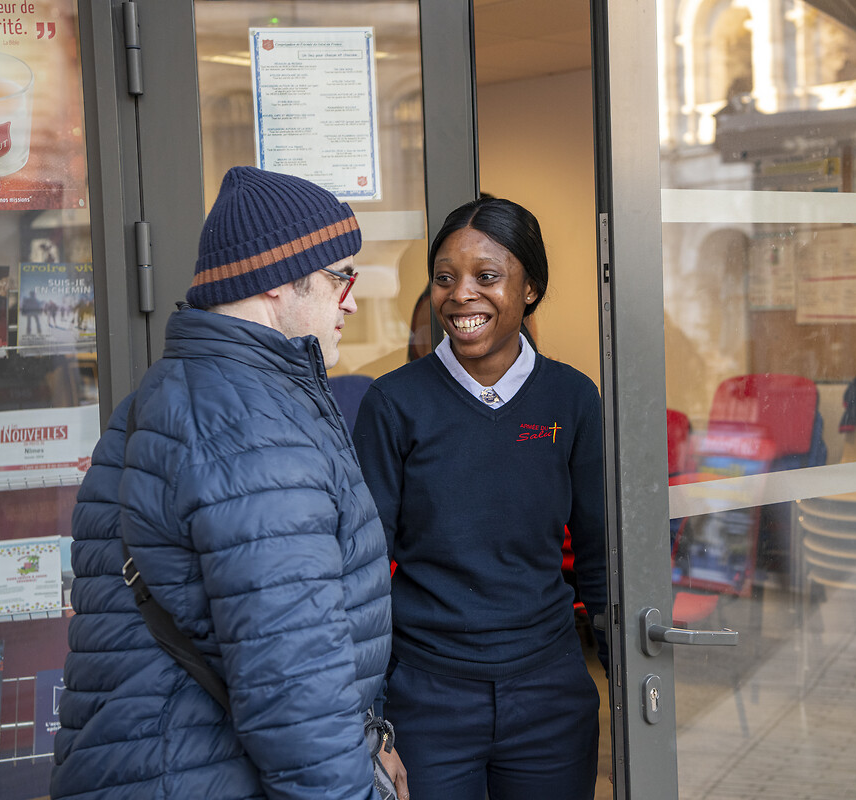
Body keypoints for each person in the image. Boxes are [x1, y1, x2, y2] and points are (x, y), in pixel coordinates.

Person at [51, 166, 404, 800]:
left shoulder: (172, 395)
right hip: (197, 773)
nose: (352, 299)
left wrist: (369, 739)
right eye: (338, 277)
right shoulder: (251, 426)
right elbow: (295, 684)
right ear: (276, 281)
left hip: (152, 761)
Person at [353, 197, 608, 800]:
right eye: (445, 278)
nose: (461, 294)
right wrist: (368, 716)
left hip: (549, 691)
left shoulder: (572, 400)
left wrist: (623, 670)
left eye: (486, 277)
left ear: (530, 288)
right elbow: (360, 572)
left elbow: (599, 553)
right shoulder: (393, 404)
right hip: (427, 697)